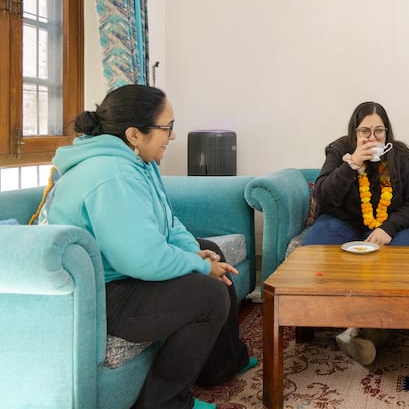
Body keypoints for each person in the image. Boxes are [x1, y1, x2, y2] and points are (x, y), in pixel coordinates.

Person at [38, 84, 256, 409]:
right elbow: (141, 259)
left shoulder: (139, 163)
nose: (172, 136)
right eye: (167, 128)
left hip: (120, 273)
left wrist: (193, 251)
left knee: (211, 249)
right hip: (98, 295)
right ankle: (165, 402)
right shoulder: (112, 175)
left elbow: (167, 222)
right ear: (134, 134)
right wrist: (199, 266)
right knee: (208, 295)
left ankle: (221, 364)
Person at [302, 101, 409, 364]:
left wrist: (388, 227)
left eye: (379, 131)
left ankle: (360, 329)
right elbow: (324, 196)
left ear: (387, 132)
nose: (372, 138)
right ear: (354, 132)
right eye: (365, 131)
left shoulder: (402, 157)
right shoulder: (339, 151)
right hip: (343, 222)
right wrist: (351, 164)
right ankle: (360, 327)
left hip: (388, 225)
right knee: (314, 245)